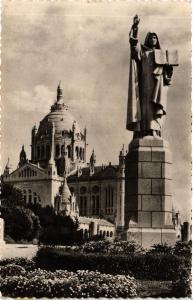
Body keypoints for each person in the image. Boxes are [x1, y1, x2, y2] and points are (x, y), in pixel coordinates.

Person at [126, 15, 174, 138]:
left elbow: (167, 76)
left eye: (155, 37)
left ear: (157, 40)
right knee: (146, 107)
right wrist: (135, 28)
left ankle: (154, 131)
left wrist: (169, 67)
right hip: (145, 83)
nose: (153, 39)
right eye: (151, 37)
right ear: (148, 39)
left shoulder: (161, 54)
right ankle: (145, 131)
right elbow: (134, 46)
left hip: (158, 84)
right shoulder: (144, 51)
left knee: (155, 107)